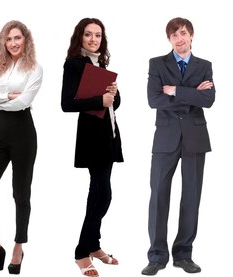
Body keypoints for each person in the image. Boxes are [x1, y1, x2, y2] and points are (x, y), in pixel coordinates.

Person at [141, 17, 215, 276]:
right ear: (169, 39)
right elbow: (153, 99)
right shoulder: (157, 64)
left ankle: (184, 254)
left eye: (183, 33)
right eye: (174, 35)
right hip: (165, 138)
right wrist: (191, 94)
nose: (179, 38)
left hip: (195, 138)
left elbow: (209, 100)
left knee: (191, 197)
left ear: (191, 35)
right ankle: (157, 256)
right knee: (159, 195)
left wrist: (175, 90)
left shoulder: (204, 66)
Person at [0, 20, 42, 275]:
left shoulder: (35, 68)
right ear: (3, 42)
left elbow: (24, 102)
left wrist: (1, 98)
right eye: (9, 39)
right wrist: (10, 97)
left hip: (24, 133)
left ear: (25, 40)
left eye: (17, 38)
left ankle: (18, 246)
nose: (13, 43)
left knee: (20, 193)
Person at [61, 18, 123, 277]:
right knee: (102, 194)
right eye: (88, 35)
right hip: (92, 138)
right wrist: (101, 98)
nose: (93, 39)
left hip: (108, 135)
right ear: (80, 37)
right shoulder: (74, 64)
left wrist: (114, 94)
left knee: (99, 193)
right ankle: (81, 252)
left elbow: (113, 104)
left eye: (98, 35)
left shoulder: (101, 63)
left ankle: (93, 245)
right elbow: (67, 103)